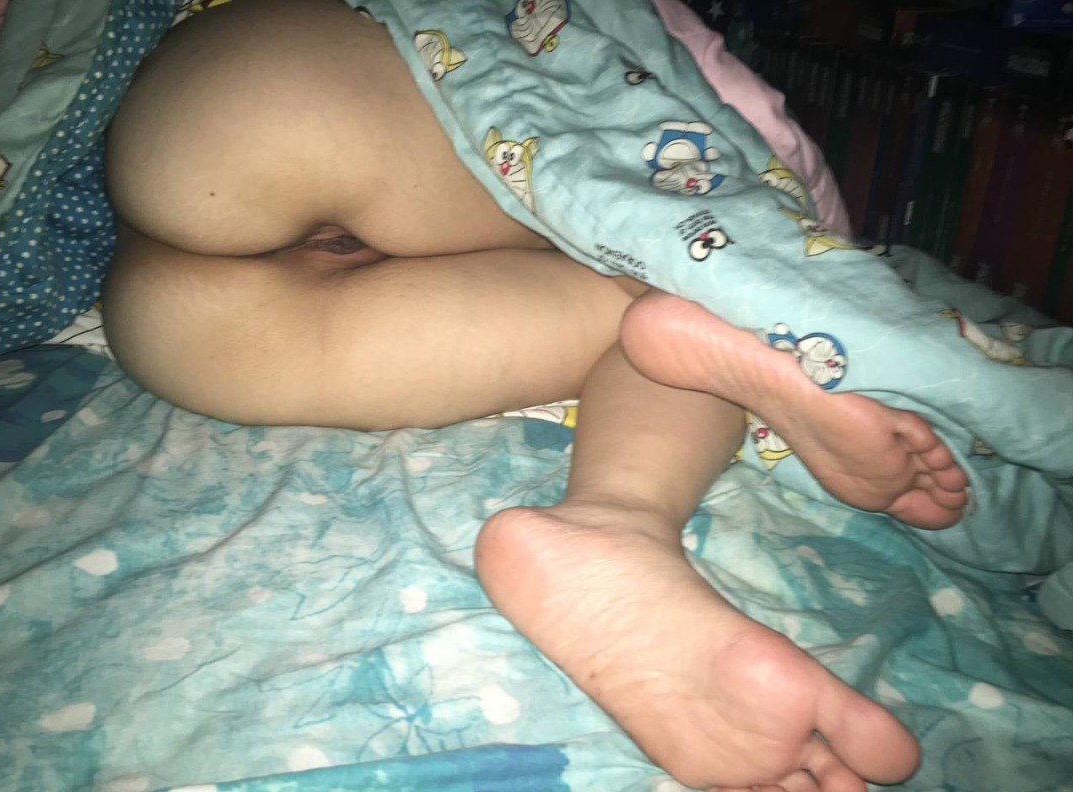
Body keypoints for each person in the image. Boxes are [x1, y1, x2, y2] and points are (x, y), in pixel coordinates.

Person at [101, 1, 968, 788]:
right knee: (681, 272)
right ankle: (666, 415)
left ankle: (632, 491)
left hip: (222, 192)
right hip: (298, 93)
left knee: (176, 320)